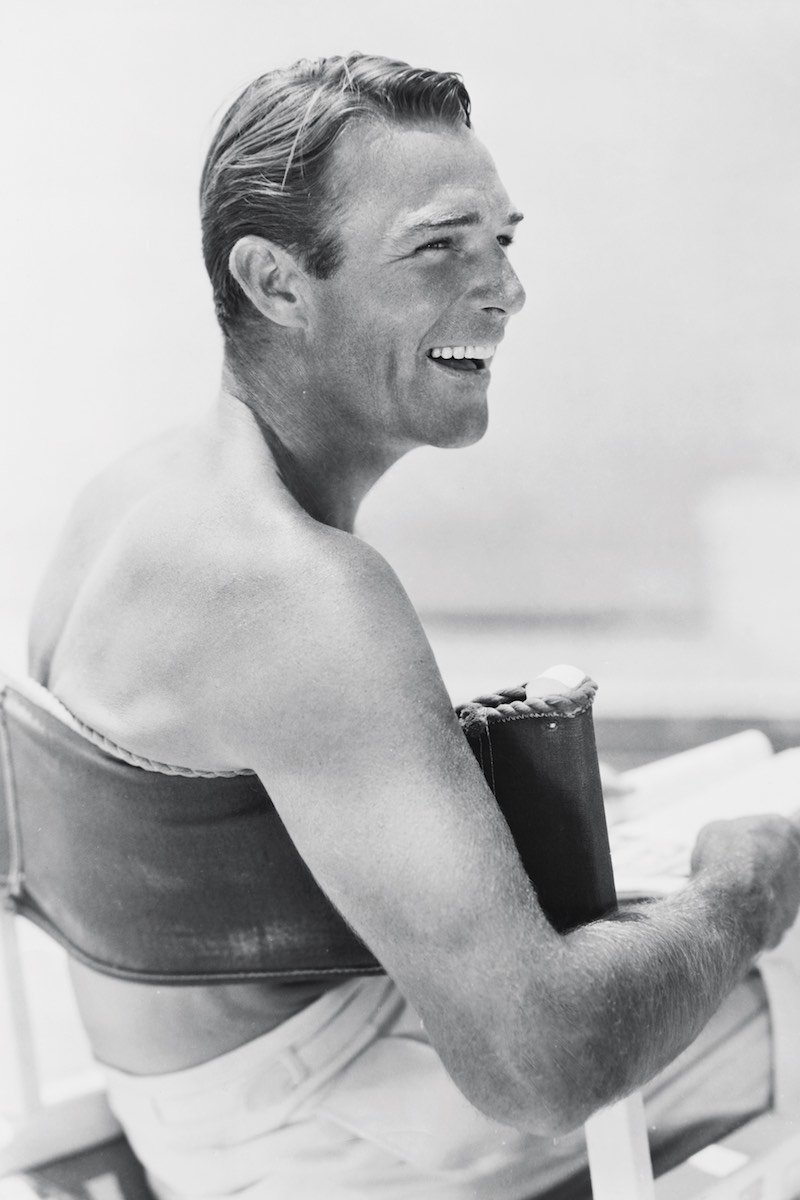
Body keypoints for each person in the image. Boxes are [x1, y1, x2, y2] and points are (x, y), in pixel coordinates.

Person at [28, 53, 800, 1200]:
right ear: (277, 283)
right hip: (322, 1144)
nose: (503, 290)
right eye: (439, 246)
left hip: (211, 1096)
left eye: (502, 239)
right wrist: (740, 892)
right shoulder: (295, 592)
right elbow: (539, 1066)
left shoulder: (142, 492)